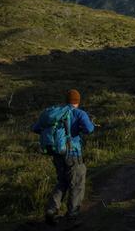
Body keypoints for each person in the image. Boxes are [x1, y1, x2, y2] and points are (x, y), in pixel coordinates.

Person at [32, 89, 95, 225]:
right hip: (73, 154)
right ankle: (72, 216)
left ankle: (51, 210)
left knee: (62, 182)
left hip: (57, 154)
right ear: (78, 101)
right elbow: (89, 129)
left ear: (67, 100)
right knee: (76, 184)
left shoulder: (55, 113)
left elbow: (36, 128)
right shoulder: (79, 113)